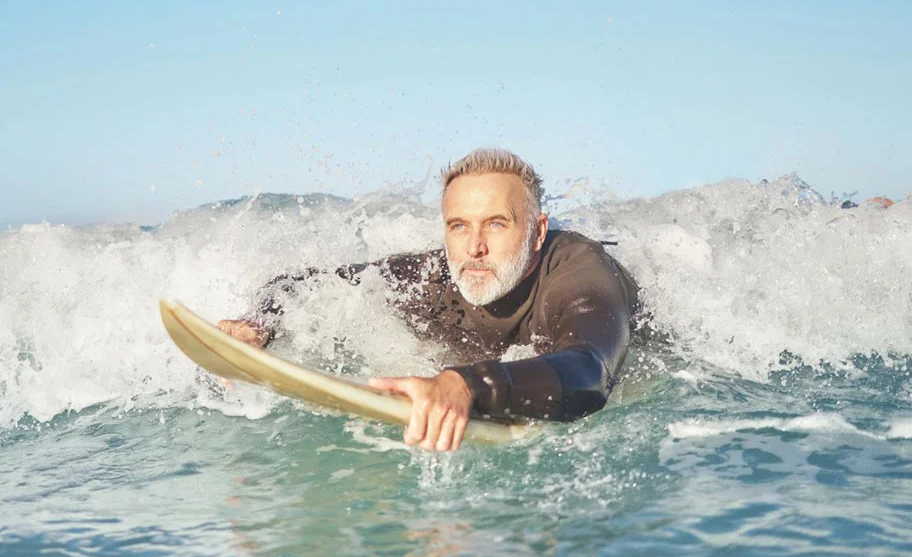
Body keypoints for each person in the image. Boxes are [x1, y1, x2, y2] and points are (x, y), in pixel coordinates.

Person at [218, 148, 640, 452]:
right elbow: (304, 286)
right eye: (458, 226)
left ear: (538, 230)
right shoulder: (432, 277)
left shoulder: (578, 274)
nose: (474, 248)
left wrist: (468, 385)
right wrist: (259, 324)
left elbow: (590, 373)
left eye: (496, 224)